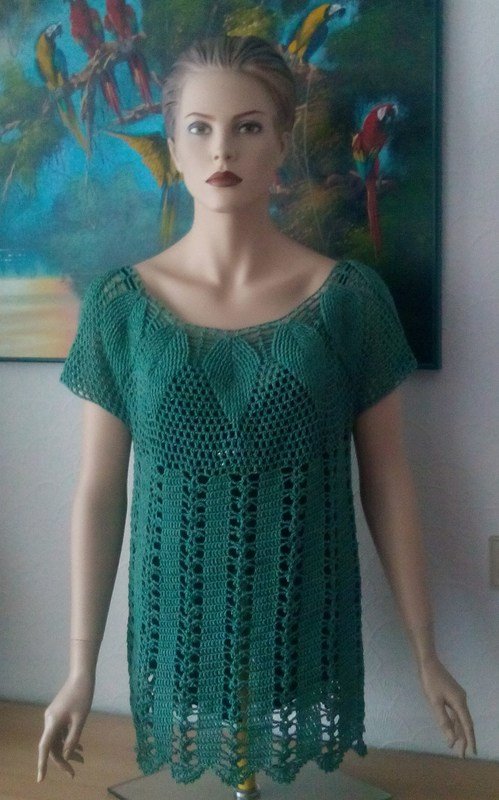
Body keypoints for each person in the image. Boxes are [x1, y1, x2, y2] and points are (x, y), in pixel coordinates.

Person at [37, 34, 476, 791]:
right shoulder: (121, 307)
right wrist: (79, 667)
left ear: (280, 141)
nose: (222, 148)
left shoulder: (348, 301)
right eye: (199, 128)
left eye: (247, 126)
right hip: (177, 639)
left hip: (303, 637)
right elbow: (100, 493)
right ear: (173, 146)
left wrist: (426, 651)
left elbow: (389, 483)